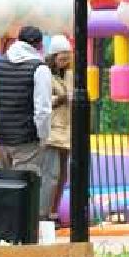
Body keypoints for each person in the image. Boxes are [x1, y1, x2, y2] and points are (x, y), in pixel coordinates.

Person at [0, 26, 56, 209]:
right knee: (25, 187)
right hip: (27, 139)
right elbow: (43, 109)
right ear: (39, 44)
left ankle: (3, 230)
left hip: (1, 137)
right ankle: (23, 232)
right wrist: (42, 136)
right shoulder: (39, 69)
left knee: (4, 186)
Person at [43, 35, 73, 219]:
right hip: (53, 131)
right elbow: (43, 100)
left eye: (67, 57)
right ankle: (43, 213)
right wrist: (61, 98)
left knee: (62, 175)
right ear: (53, 57)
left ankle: (53, 211)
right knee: (51, 174)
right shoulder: (46, 75)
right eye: (62, 57)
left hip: (67, 130)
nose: (65, 61)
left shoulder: (69, 74)